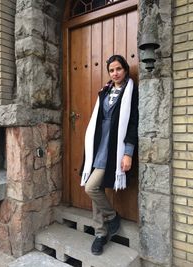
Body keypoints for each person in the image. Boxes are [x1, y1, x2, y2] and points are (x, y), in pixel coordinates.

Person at [80, 55, 138, 255]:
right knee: (96, 187)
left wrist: (128, 153)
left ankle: (110, 219)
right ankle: (101, 232)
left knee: (92, 187)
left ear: (125, 69)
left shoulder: (131, 91)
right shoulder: (104, 91)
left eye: (118, 69)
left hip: (115, 147)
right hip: (98, 145)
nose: (115, 73)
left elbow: (132, 124)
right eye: (111, 70)